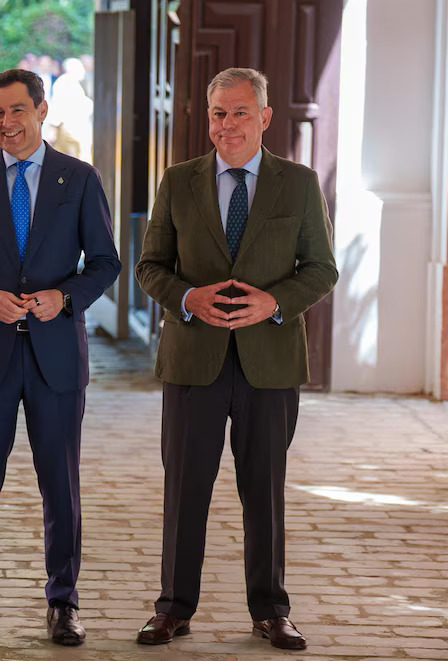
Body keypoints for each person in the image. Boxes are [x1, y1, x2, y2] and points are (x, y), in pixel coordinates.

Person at [134, 67, 337, 651]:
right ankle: (173, 609)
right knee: (185, 491)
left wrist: (274, 303)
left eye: (240, 112)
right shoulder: (178, 181)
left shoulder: (298, 184)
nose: (228, 124)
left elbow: (321, 269)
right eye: (219, 113)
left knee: (264, 492)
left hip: (268, 362)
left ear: (265, 117)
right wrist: (187, 298)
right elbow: (150, 267)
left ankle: (271, 611)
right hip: (192, 359)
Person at [0, 68, 120, 646]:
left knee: (60, 487)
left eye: (17, 110)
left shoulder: (79, 178)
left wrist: (65, 298)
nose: (6, 123)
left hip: (55, 358)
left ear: (41, 111)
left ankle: (64, 602)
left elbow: (105, 262)